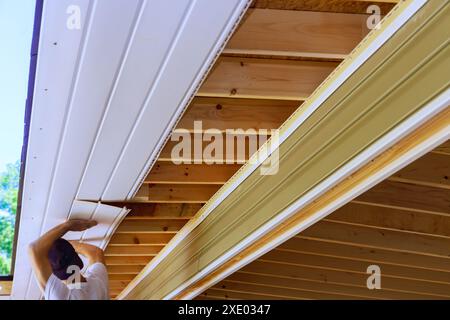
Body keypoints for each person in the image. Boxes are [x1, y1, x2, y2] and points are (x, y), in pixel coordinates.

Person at [28, 219, 109, 300]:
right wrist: (68, 226)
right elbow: (33, 249)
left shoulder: (60, 296)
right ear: (76, 256)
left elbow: (35, 250)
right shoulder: (98, 282)